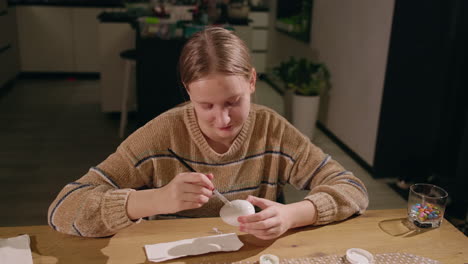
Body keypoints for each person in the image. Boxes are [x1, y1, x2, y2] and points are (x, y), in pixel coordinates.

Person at [48, 27, 369, 239]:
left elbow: (353, 189)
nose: (223, 119)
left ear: (252, 82)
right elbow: (62, 210)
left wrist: (294, 214)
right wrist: (152, 200)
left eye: (234, 101)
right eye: (206, 106)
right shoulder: (161, 134)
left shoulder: (271, 129)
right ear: (188, 92)